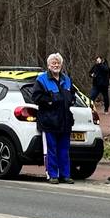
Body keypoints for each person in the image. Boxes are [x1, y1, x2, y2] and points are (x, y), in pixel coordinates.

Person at [31, 52, 75, 184]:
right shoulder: (42, 79)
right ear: (48, 65)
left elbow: (73, 94)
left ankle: (65, 175)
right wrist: (50, 100)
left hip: (65, 121)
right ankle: (52, 175)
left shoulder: (66, 79)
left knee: (64, 150)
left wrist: (71, 100)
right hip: (49, 121)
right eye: (53, 63)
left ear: (61, 65)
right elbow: (36, 97)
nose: (56, 65)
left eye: (58, 63)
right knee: (51, 150)